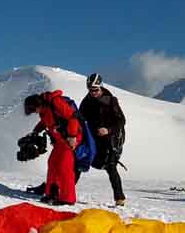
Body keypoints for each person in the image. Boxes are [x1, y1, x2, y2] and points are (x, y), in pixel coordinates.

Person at [23, 91, 82, 206]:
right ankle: (51, 193)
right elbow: (45, 122)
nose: (35, 112)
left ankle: (67, 198)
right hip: (60, 140)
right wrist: (35, 131)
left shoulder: (55, 102)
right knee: (52, 163)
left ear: (38, 105)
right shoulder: (44, 111)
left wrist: (73, 136)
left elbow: (72, 117)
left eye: (34, 110)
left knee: (64, 166)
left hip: (71, 138)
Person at [78, 73, 127, 206]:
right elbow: (79, 118)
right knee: (80, 161)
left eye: (95, 90)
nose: (93, 92)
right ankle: (67, 191)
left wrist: (108, 130)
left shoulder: (111, 101)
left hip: (111, 140)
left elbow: (121, 120)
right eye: (90, 90)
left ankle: (119, 198)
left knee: (111, 167)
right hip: (94, 139)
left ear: (101, 87)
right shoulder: (86, 101)